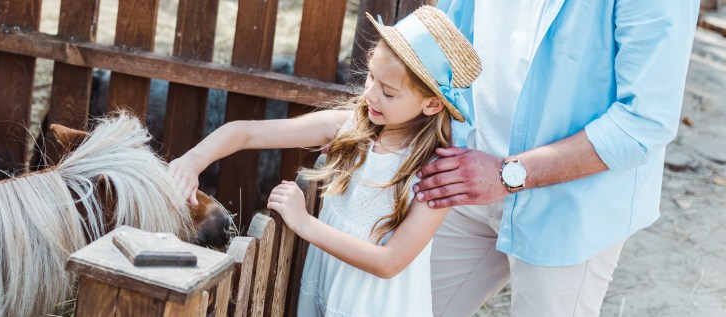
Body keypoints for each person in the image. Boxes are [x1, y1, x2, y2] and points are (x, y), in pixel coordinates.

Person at [169, 7, 480, 316]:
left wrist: (304, 222)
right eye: (371, 76)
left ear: (432, 104)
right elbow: (245, 133)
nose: (370, 94)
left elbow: (389, 263)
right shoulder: (348, 128)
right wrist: (193, 160)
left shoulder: (435, 175)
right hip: (325, 287)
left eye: (388, 91)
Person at [413, 1, 700, 316]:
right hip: (465, 173)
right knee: (403, 307)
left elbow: (645, 120)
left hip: (568, 208)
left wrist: (503, 175)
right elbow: (450, 34)